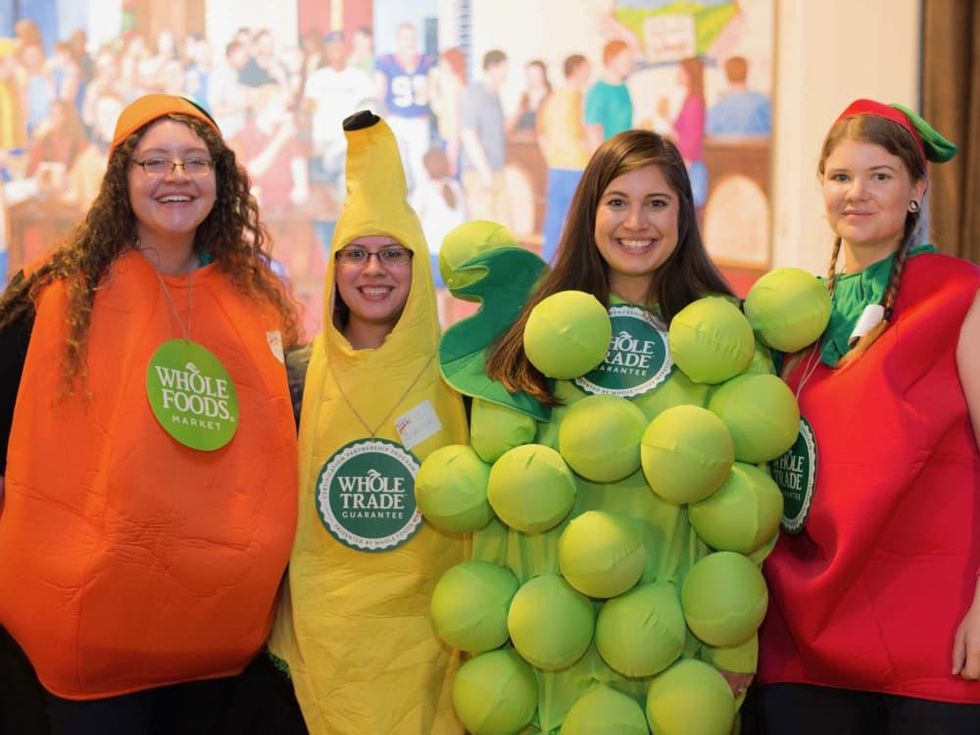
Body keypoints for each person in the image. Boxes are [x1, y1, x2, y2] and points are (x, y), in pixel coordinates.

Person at [0, 93, 301, 733]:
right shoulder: (55, 294)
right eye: (155, 161)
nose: (176, 176)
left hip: (221, 639)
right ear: (122, 175)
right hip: (91, 638)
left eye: (195, 161)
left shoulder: (257, 299)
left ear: (220, 176)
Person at [477, 129, 754, 730]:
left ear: (683, 214)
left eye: (657, 203)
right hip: (550, 646)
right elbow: (499, 491)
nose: (636, 223)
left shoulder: (722, 334)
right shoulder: (540, 332)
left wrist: (736, 642)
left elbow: (750, 493)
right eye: (617, 202)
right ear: (590, 212)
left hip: (677, 650)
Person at [757, 99, 980, 733]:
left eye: (880, 175)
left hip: (934, 634)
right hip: (800, 637)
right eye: (841, 176)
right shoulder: (793, 312)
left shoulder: (961, 293)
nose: (857, 192)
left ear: (916, 190)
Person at [268, 111, 468, 734]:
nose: (373, 269)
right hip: (324, 641)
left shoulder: (461, 379)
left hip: (432, 642)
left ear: (417, 265)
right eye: (355, 254)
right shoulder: (295, 377)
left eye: (391, 254)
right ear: (334, 268)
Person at [537, 53, 591, 263]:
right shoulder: (578, 98)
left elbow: (541, 135)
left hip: (556, 167)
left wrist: (551, 160)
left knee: (554, 222)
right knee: (578, 224)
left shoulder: (552, 98)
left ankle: (548, 267)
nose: (589, 73)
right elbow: (584, 134)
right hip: (577, 166)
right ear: (576, 70)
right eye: (586, 69)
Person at [375, 23, 435, 192]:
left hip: (419, 120)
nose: (410, 42)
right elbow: (380, 93)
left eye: (413, 38)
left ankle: (421, 203)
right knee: (395, 165)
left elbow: (432, 91)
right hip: (395, 119)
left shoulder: (427, 61)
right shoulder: (386, 61)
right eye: (406, 38)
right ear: (397, 40)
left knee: (420, 166)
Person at [459, 49, 510, 224]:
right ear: (492, 68)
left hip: (497, 169)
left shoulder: (495, 96)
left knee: (500, 224)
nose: (506, 74)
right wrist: (485, 172)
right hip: (478, 172)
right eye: (504, 68)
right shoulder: (474, 94)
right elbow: (468, 134)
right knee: (482, 225)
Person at [584, 39, 634, 151]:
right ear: (611, 59)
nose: (630, 63)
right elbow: (593, 133)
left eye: (631, 59)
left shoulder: (623, 88)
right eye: (626, 59)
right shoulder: (598, 92)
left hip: (625, 152)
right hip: (609, 155)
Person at [705, 56, 771, 137]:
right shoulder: (764, 103)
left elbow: (708, 135)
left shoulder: (718, 109)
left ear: (726, 75)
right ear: (747, 72)